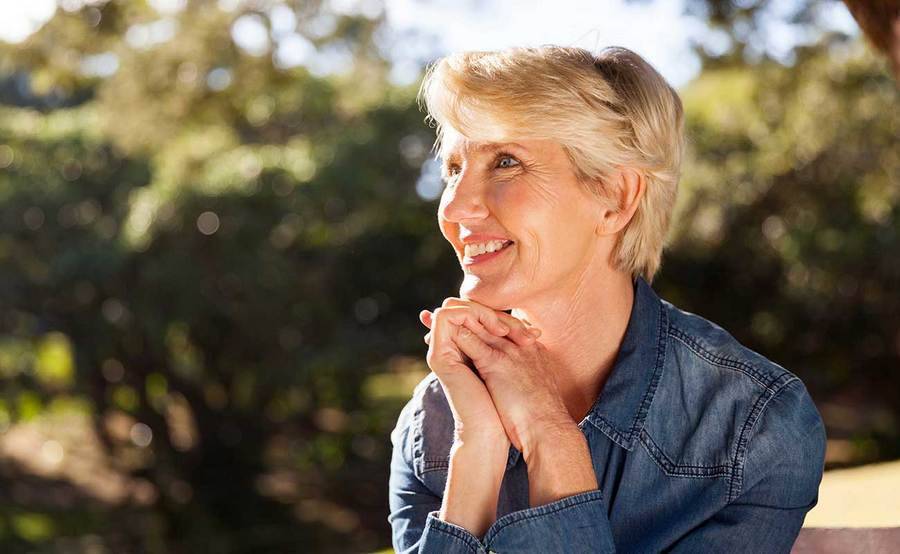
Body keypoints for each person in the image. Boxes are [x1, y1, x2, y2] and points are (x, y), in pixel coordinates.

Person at [387, 45, 826, 553]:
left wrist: (549, 432)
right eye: (454, 168)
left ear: (616, 198)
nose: (456, 206)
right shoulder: (434, 423)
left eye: (506, 162)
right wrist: (477, 449)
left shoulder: (755, 427)